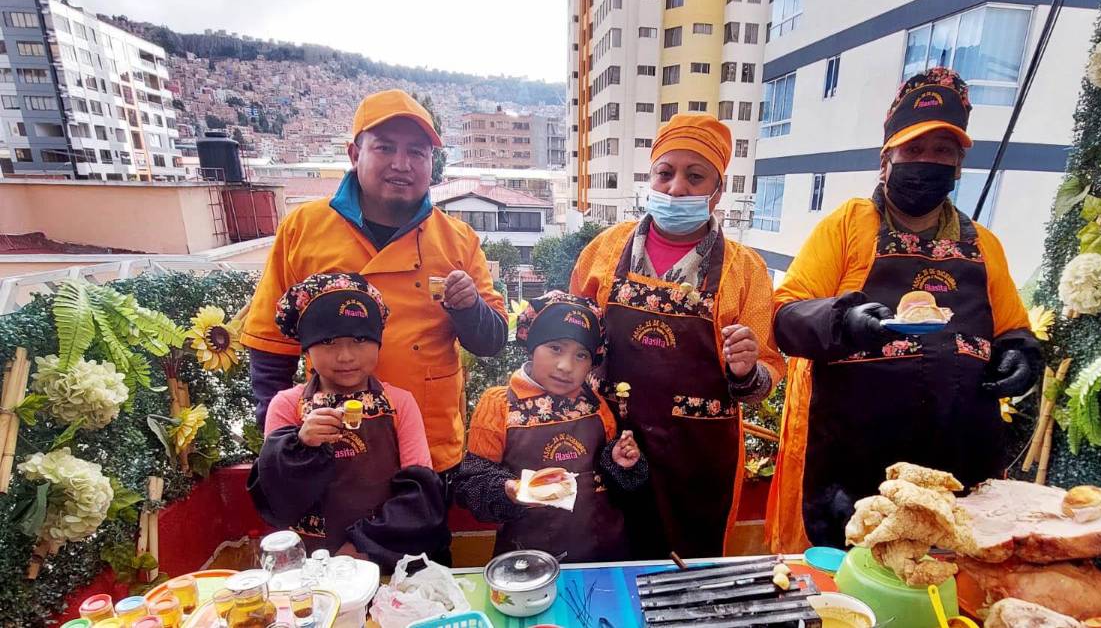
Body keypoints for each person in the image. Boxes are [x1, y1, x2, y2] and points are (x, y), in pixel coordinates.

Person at [766, 68, 1043, 551]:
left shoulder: (985, 245)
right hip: (856, 467)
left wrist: (1019, 354)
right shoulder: (848, 225)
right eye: (913, 150)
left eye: (942, 151)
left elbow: (1012, 328)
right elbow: (785, 315)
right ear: (886, 160)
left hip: (959, 468)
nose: (927, 162)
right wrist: (844, 321)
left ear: (958, 166)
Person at [241, 89, 508, 482]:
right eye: (385, 147)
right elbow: (270, 348)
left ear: (432, 163)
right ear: (354, 154)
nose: (402, 164)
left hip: (428, 449)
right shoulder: (304, 228)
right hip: (333, 445)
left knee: (424, 523)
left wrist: (469, 308)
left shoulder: (458, 239)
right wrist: (282, 443)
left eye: (417, 152)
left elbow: (492, 341)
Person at [571, 113, 785, 559]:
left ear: (718, 190)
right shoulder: (604, 250)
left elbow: (765, 375)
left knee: (688, 570)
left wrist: (746, 370)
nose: (675, 188)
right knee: (604, 558)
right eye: (664, 173)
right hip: (608, 443)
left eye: (695, 176)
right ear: (650, 178)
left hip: (698, 459)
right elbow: (572, 339)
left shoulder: (746, 270)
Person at [249, 273, 449, 570]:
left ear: (378, 343)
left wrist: (361, 546)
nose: (345, 356)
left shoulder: (400, 403)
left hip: (385, 557)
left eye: (359, 340)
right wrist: (300, 445)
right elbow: (275, 497)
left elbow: (419, 493)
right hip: (314, 567)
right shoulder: (288, 406)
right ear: (307, 348)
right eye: (328, 341)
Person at [455, 291, 647, 562]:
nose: (566, 366)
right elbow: (472, 484)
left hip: (603, 554)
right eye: (555, 348)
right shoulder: (499, 405)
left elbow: (615, 485)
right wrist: (508, 489)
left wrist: (620, 464)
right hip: (528, 560)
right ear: (531, 345)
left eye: (581, 355)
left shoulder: (596, 404)